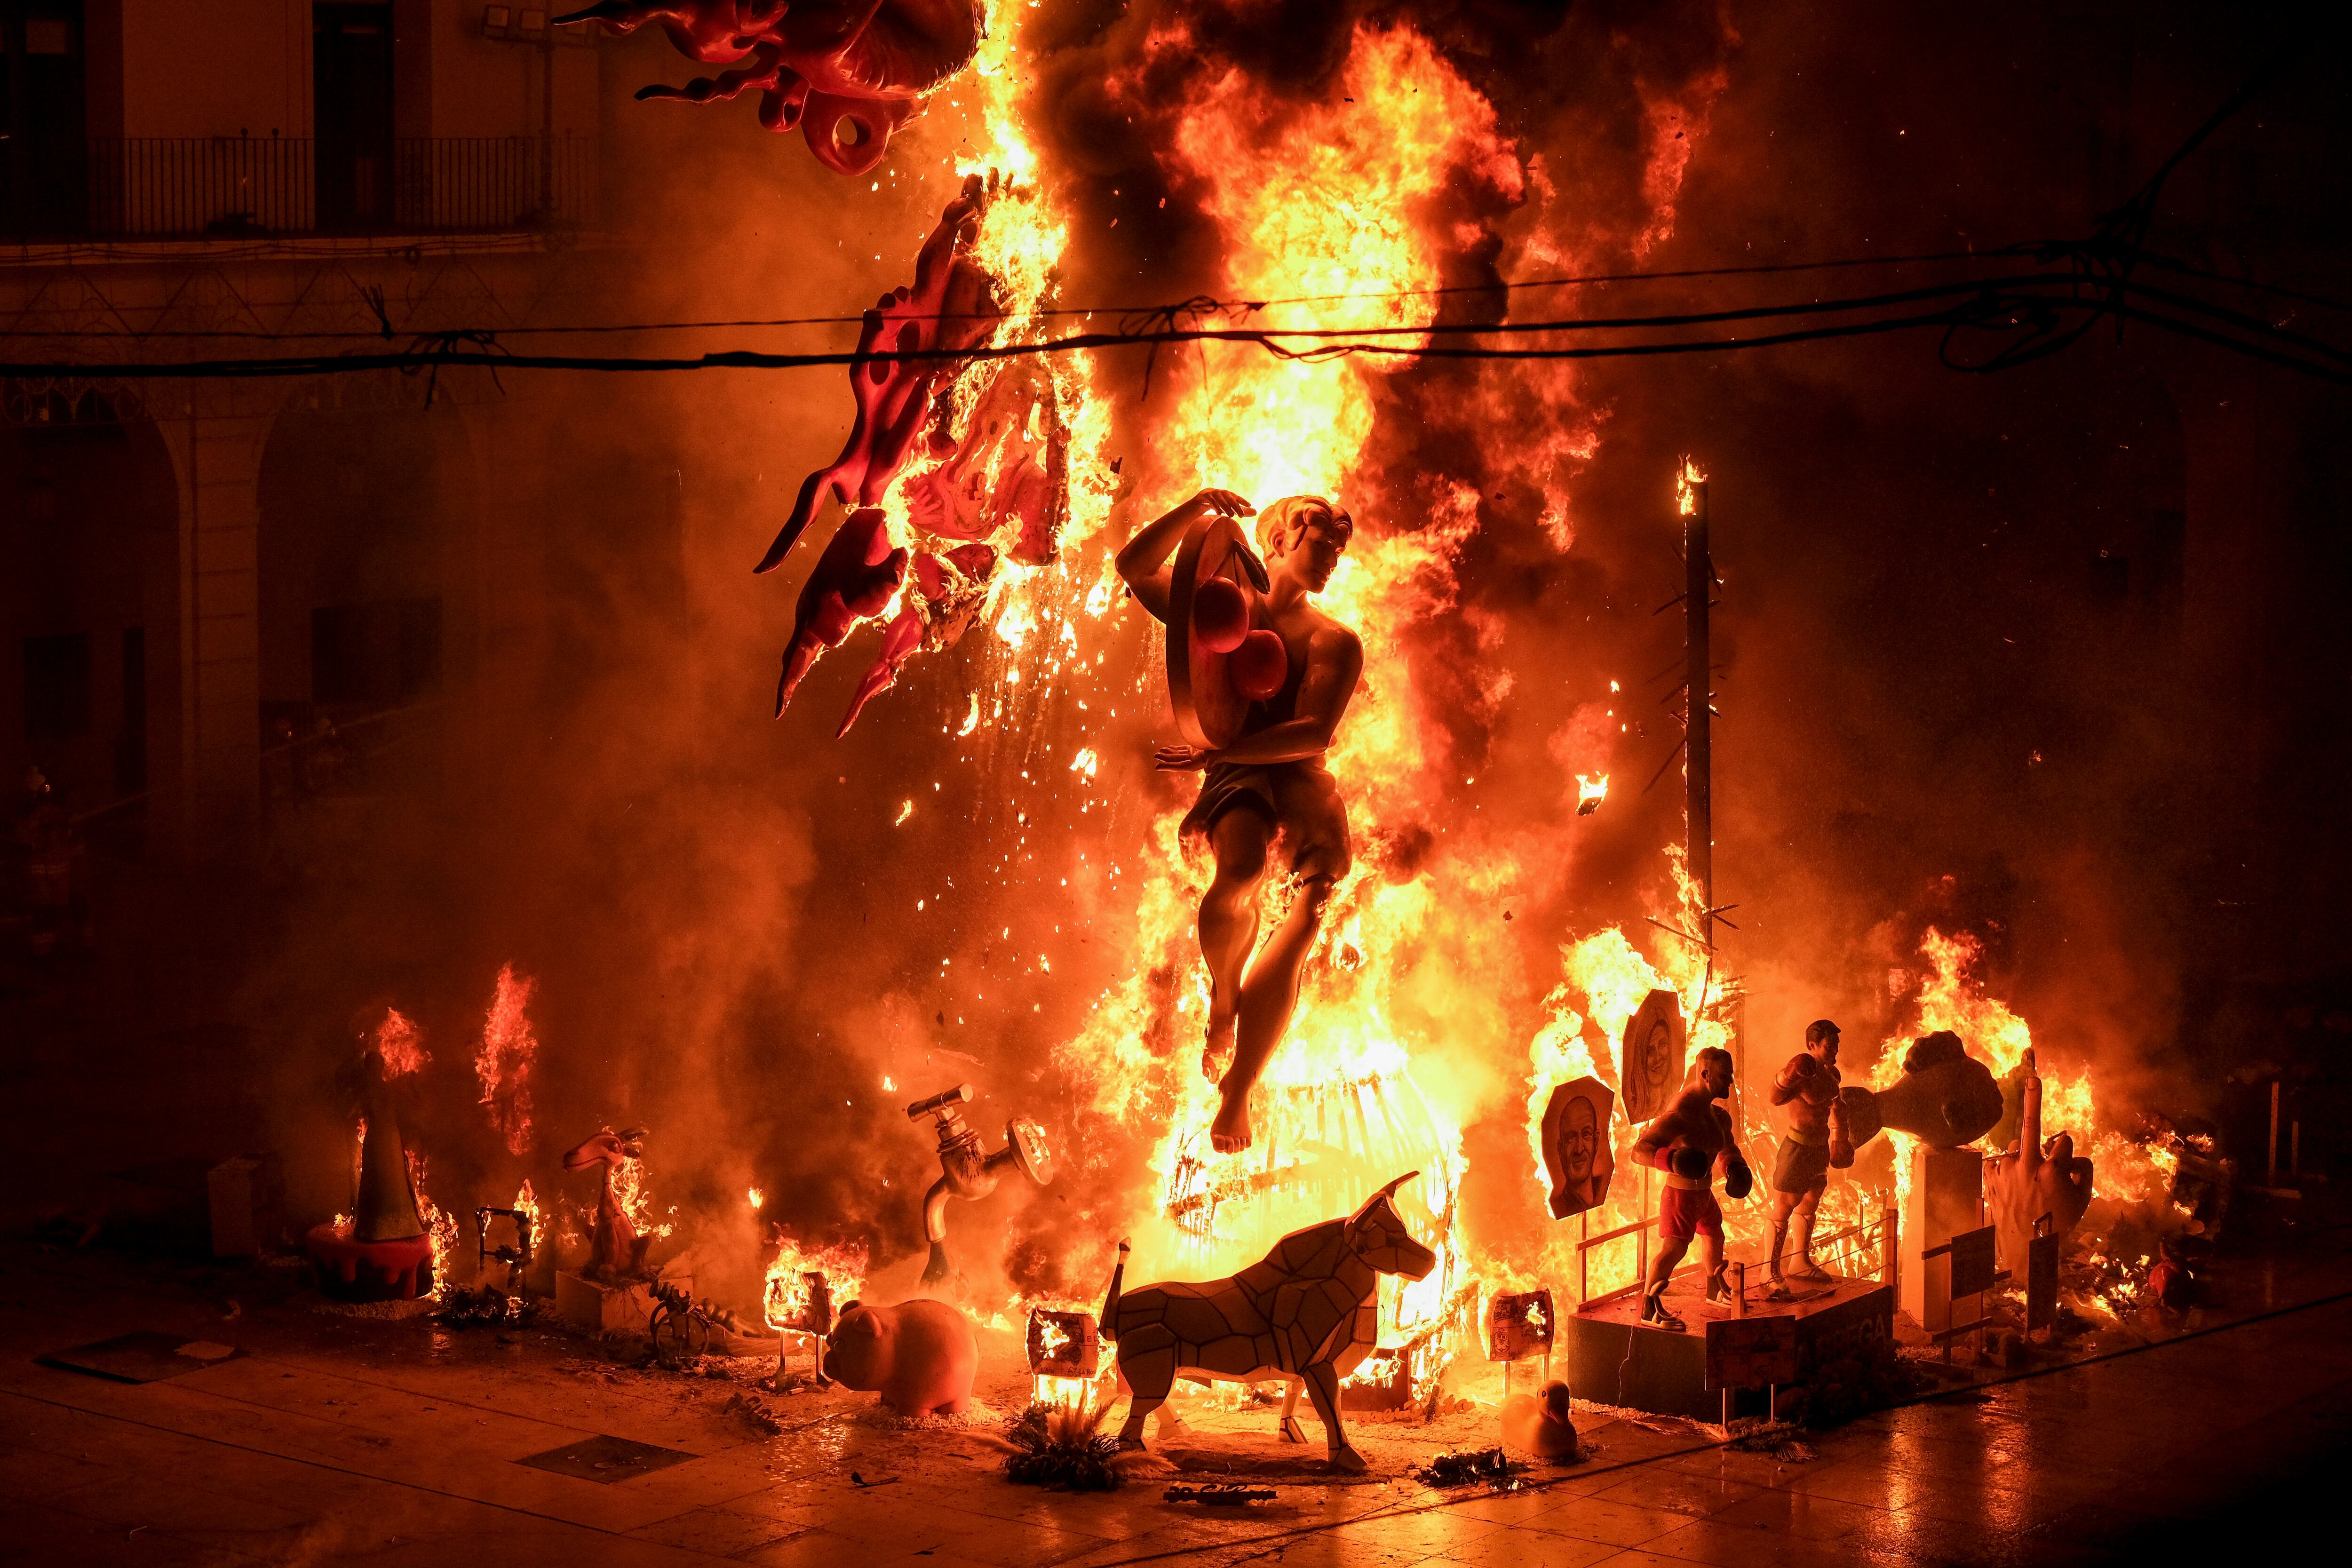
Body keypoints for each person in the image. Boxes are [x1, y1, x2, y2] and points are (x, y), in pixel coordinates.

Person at [1116, 488, 1363, 1153]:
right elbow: (1134, 568)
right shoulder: (1226, 607)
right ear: (1280, 539)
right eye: (1322, 544)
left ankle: (1240, 1087)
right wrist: (1195, 510)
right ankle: (1224, 998)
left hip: (1296, 776)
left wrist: (1217, 753)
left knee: (1311, 908)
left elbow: (1311, 734)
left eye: (1338, 551)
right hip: (1241, 772)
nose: (1332, 559)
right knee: (1243, 869)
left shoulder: (1335, 640)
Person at [1629, 1047, 1751, 1331]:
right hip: (1680, 1196)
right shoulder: (1679, 1116)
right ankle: (1649, 1306)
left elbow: (1724, 1146)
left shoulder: (1717, 1115)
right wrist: (1673, 1160)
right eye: (1724, 1075)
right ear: (1705, 1075)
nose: (1730, 1081)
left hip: (1704, 1193)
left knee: (1715, 1234)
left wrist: (1734, 1167)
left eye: (1731, 1074)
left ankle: (1714, 1288)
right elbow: (1640, 1151)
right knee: (1674, 1249)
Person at [1768, 1019, 1851, 1291]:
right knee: (1785, 1205)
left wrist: (1839, 1140)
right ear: (1812, 1045)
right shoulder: (1801, 1072)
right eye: (1829, 1046)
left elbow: (1837, 1109)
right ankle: (1770, 1272)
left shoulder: (1832, 1075)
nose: (1835, 1051)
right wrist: (1788, 1074)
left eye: (1836, 1046)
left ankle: (1800, 1262)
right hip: (1798, 1148)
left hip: (1818, 1148)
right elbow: (1775, 1097)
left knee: (1811, 1200)